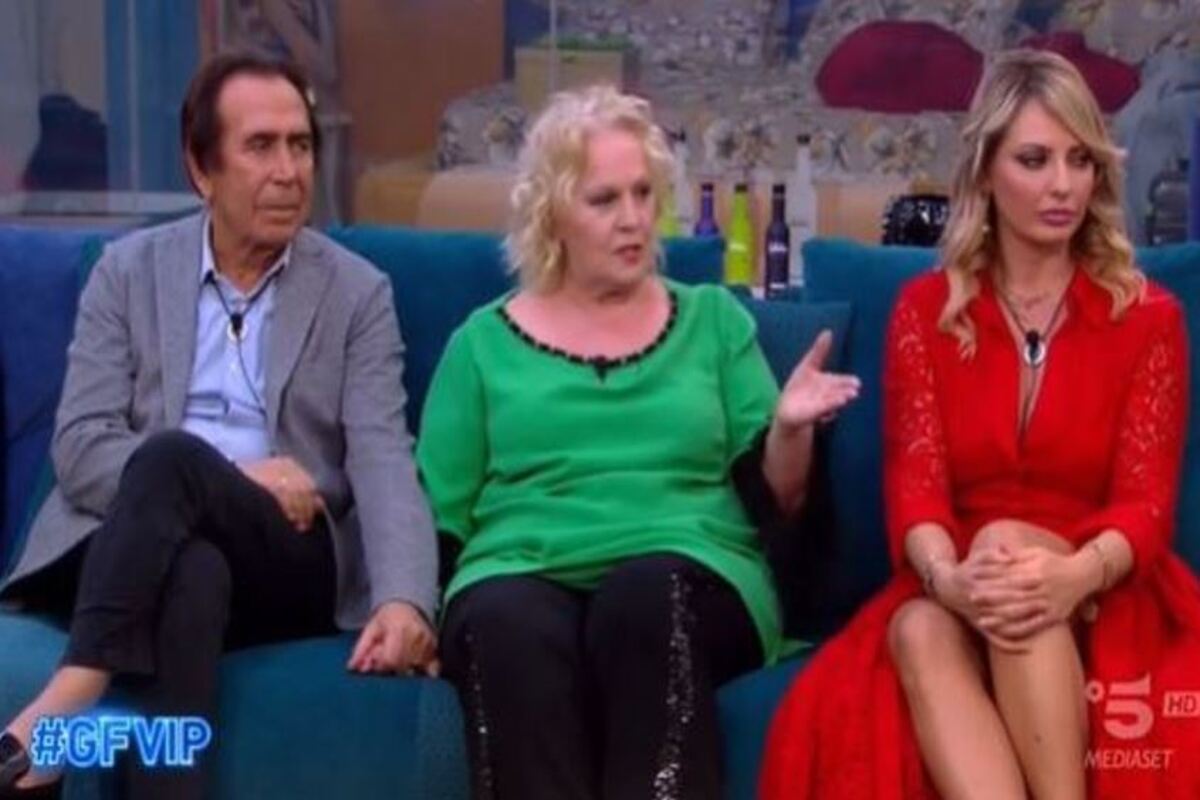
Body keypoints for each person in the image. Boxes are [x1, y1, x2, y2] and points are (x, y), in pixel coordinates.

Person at [760, 49, 1199, 799]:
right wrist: (949, 580)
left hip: (1102, 583)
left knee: (1006, 551)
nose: (1062, 185)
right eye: (1034, 160)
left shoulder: (1148, 318)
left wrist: (1071, 577)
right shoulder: (926, 313)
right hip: (963, 587)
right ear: (987, 171)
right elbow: (918, 493)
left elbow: (1145, 505)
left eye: (1079, 161)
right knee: (917, 627)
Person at [0, 52, 438, 798]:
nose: (288, 171)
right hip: (129, 542)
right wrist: (234, 475)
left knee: (173, 462)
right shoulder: (126, 272)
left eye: (300, 146)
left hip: (283, 550)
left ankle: (68, 700)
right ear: (202, 171)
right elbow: (80, 446)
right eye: (260, 146)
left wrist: (405, 599)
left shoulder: (357, 293)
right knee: (191, 565)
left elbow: (382, 456)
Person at [415, 85, 860, 800]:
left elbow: (779, 498)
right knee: (504, 621)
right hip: (521, 565)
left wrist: (788, 429)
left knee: (642, 598)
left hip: (689, 567)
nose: (632, 219)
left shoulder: (713, 321)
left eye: (643, 193)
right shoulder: (481, 345)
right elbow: (437, 515)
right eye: (604, 200)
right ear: (552, 215)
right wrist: (406, 610)